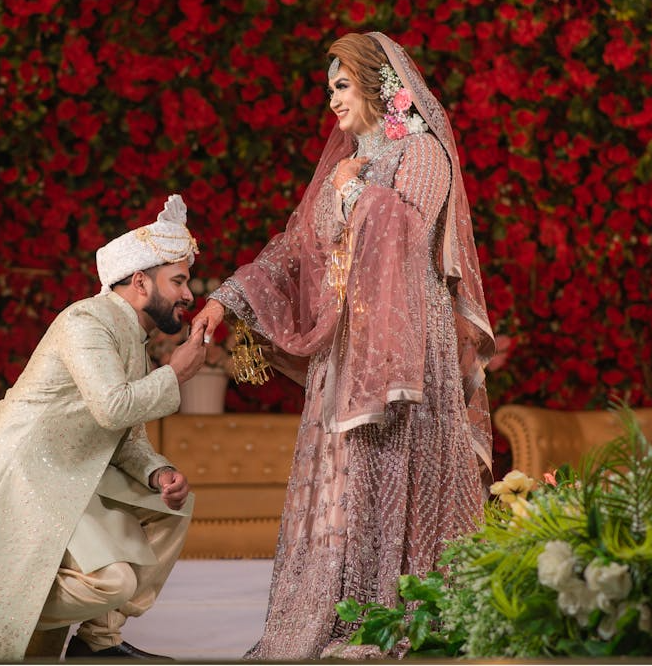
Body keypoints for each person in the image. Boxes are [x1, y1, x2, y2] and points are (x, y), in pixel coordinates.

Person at [193, 32, 496, 659]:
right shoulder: (340, 166)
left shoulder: (421, 153)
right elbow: (296, 250)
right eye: (328, 87)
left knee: (390, 467)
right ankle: (338, 606)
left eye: (342, 85)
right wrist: (224, 300)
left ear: (380, 86)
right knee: (344, 479)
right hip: (345, 351)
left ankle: (397, 610)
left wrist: (353, 191)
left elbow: (407, 237)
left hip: (409, 349)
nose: (331, 99)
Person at [0, 195, 209, 661]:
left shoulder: (132, 336)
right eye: (178, 281)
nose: (189, 295)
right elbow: (113, 407)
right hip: (28, 476)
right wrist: (176, 374)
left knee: (172, 503)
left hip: (75, 472)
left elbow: (124, 434)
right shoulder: (85, 321)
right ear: (139, 281)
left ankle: (98, 644)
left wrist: (156, 473)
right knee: (114, 581)